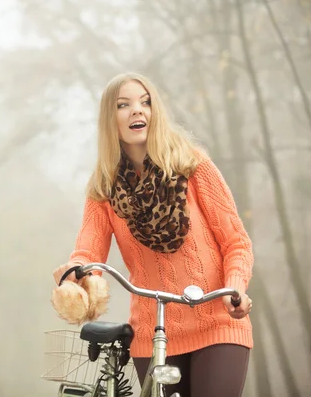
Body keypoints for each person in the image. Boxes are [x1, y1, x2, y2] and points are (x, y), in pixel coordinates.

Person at [52, 73, 253, 397]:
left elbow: (236, 242)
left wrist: (236, 288)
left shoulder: (192, 165)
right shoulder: (103, 189)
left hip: (217, 321)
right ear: (109, 119)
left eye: (145, 102)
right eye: (124, 105)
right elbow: (88, 250)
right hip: (153, 329)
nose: (137, 111)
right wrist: (74, 271)